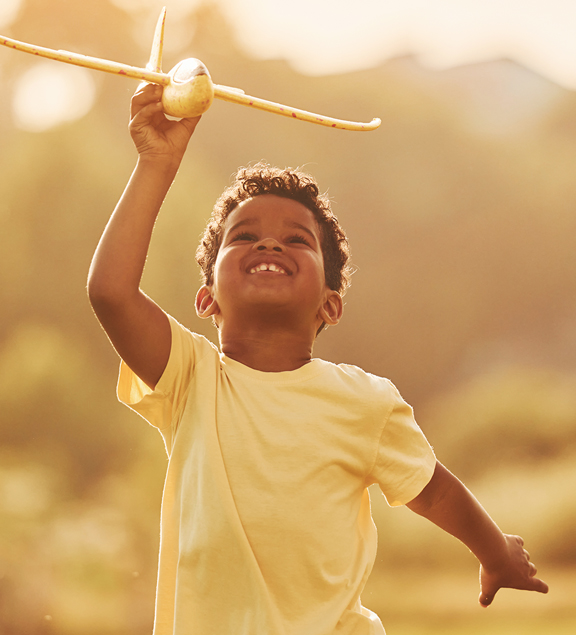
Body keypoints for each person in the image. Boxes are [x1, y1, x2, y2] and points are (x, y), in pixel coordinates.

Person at [87, 83, 548, 635]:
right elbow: (110, 292)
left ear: (330, 303)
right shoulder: (190, 377)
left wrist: (495, 553)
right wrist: (157, 164)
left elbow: (436, 490)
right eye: (246, 236)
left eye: (297, 240)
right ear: (207, 297)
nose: (270, 245)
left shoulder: (365, 401)